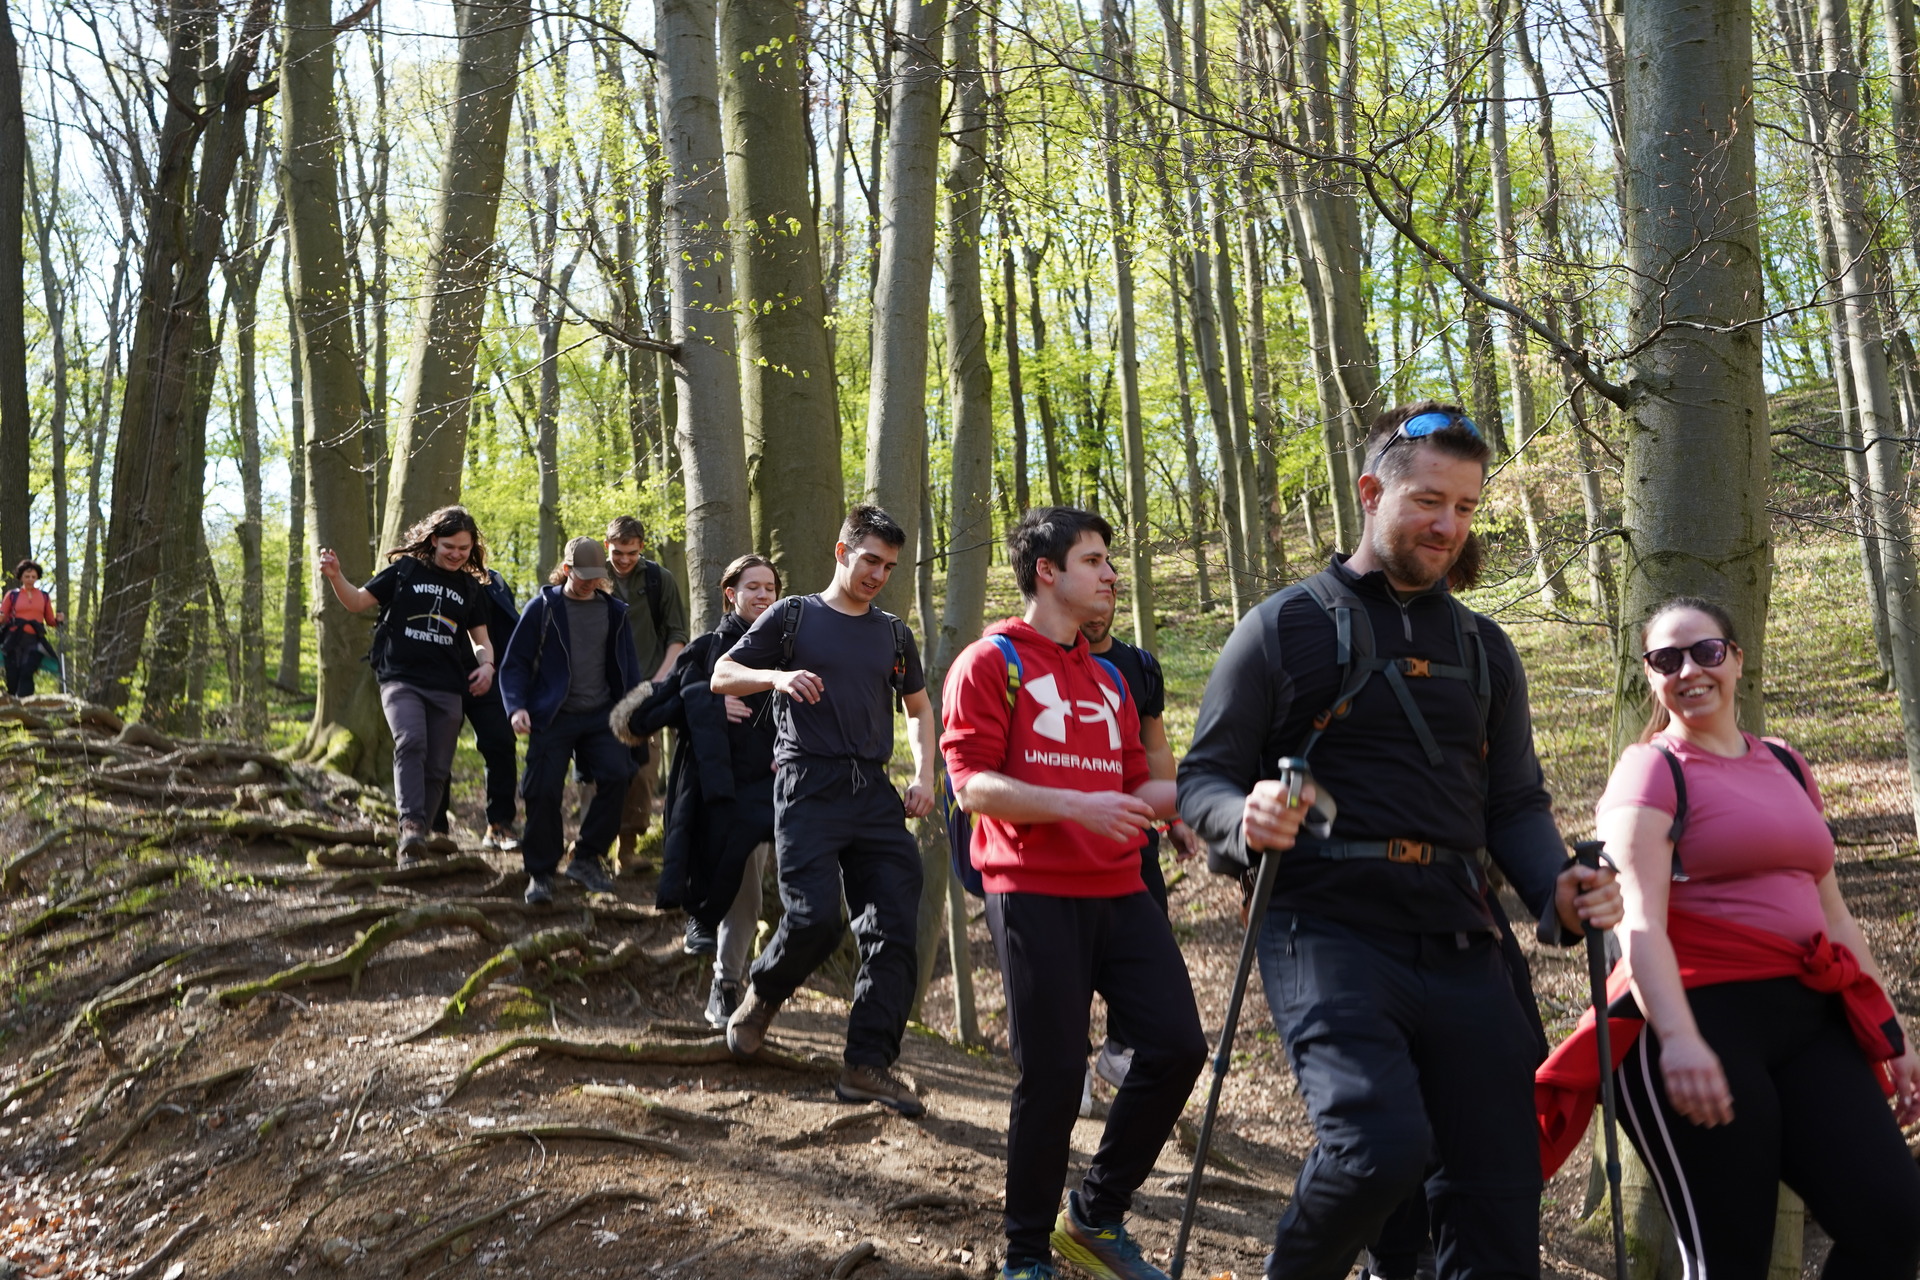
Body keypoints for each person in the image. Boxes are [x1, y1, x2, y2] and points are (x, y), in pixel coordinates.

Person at [1177, 401, 1621, 1280]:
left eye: (1465, 507)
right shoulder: (1281, 626)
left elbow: (1515, 806)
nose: (1448, 525)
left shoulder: (1486, 650)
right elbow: (1203, 782)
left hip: (1463, 940)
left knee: (1499, 1188)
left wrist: (1556, 889)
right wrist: (1244, 819)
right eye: (1428, 502)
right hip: (1325, 929)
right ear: (1372, 490)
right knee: (1377, 1147)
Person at [1535, 596, 1920, 1280]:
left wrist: (1894, 1037)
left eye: (1706, 651)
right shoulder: (1651, 770)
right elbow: (1637, 919)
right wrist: (1680, 1039)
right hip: (1694, 1017)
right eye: (1666, 659)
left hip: (1809, 1018)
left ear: (1737, 659)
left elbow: (1831, 915)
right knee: (1729, 1258)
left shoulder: (1786, 764)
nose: (1690, 670)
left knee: (1894, 1221)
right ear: (1650, 677)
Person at [943, 507, 1207, 1280]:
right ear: (1047, 571)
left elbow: (1136, 784)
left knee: (1176, 1048)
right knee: (1055, 1073)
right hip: (1032, 888)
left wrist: (1212, 798)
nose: (1110, 574)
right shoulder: (991, 663)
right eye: (1093, 560)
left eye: (1109, 561)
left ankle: (1093, 1215)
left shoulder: (1110, 678)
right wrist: (1072, 805)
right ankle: (1026, 1254)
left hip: (1121, 887)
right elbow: (971, 786)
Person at [710, 503, 939, 1116]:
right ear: (842, 552)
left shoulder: (894, 633)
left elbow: (919, 710)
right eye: (869, 560)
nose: (877, 574)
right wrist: (777, 680)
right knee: (815, 920)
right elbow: (722, 674)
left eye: (888, 566)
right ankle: (760, 994)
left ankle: (867, 1065)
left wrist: (923, 775)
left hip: (874, 792)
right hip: (807, 782)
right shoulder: (792, 616)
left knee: (894, 928)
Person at [614, 554, 781, 1028]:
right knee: (736, 888)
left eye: (770, 588)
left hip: (770, 790)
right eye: (753, 587)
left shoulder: (787, 653)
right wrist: (706, 701)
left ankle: (743, 981)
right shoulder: (705, 650)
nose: (763, 595)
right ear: (731, 594)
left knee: (754, 895)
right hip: (712, 791)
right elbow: (642, 718)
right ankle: (726, 984)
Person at [319, 507, 495, 866]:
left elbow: (481, 640)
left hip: (448, 684)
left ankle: (420, 841)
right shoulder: (405, 571)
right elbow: (355, 602)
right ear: (433, 540)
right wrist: (336, 577)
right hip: (401, 678)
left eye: (464, 548)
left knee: (438, 766)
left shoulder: (470, 588)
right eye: (450, 546)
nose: (457, 554)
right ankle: (411, 825)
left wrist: (487, 665)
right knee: (411, 741)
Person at [1078, 594, 1201, 1097]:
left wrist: (1174, 822)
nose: (1097, 609)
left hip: (1134, 832)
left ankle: (1120, 1049)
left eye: (1106, 598)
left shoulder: (1138, 667)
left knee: (1150, 938)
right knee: (1073, 956)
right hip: (1066, 837)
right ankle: (1072, 1066)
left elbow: (1156, 749)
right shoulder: (1034, 662)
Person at [499, 537, 645, 905]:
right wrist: (516, 707)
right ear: (566, 570)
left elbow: (628, 668)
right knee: (543, 789)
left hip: (602, 714)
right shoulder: (543, 608)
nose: (589, 583)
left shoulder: (614, 612)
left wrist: (636, 712)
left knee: (618, 774)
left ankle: (586, 857)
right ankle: (541, 873)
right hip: (553, 715)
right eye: (582, 576)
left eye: (596, 577)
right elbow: (514, 664)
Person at [604, 515, 690, 872]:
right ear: (606, 545)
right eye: (618, 552)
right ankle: (594, 849)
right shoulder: (592, 575)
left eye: (632, 553)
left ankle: (628, 850)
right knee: (599, 773)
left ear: (641, 548)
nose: (624, 559)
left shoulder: (659, 579)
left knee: (643, 774)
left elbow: (677, 637)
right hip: (599, 690)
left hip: (647, 689)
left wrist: (656, 684)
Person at [433, 564, 522, 852]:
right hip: (443, 677)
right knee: (438, 749)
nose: (458, 552)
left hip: (489, 676)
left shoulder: (491, 580)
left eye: (465, 545)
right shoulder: (428, 578)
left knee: (500, 743)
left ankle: (500, 826)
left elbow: (509, 627)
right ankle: (436, 830)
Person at [2, 560, 63, 697]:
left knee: (27, 672)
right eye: (27, 576)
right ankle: (13, 709)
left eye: (33, 577)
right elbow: (3, 617)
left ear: (37, 578)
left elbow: (50, 621)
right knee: (12, 675)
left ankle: (27, 708)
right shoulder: (12, 595)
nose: (30, 580)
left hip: (35, 641)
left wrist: (58, 620)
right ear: (21, 577)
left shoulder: (44, 596)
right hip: (14, 639)